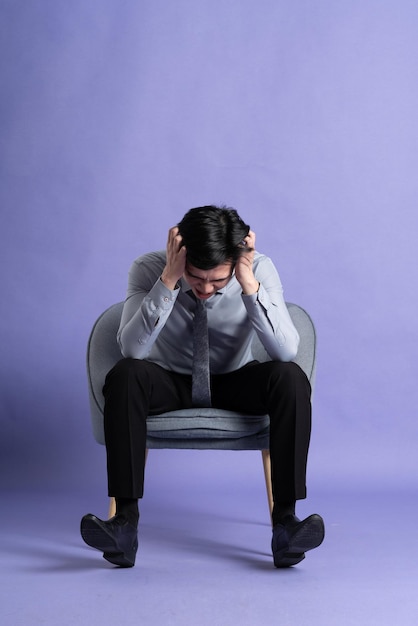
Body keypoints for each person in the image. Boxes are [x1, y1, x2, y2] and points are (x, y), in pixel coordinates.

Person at [80, 205, 324, 568]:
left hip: (233, 379)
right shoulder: (149, 268)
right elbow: (132, 348)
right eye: (196, 278)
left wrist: (248, 285)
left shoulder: (258, 269)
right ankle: (124, 525)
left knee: (289, 377)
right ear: (180, 254)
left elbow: (286, 349)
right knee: (126, 373)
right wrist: (168, 282)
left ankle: (286, 524)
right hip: (169, 380)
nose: (206, 289)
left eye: (217, 281)